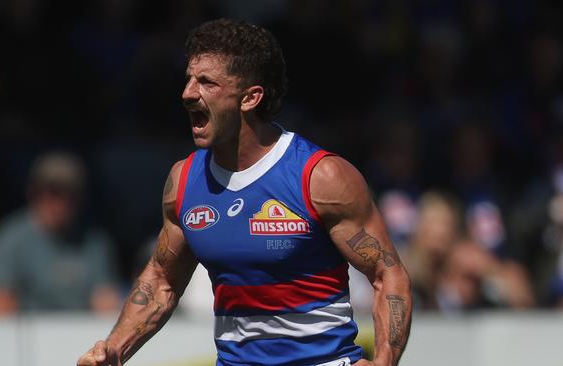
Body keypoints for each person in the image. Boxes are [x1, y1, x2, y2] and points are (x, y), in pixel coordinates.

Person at [77, 19, 411, 366]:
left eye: (206, 82)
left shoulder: (320, 176)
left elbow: (389, 274)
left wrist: (384, 362)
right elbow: (161, 280)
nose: (188, 92)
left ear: (250, 98)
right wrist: (114, 349)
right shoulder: (185, 182)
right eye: (189, 79)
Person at [0, 151, 120, 314]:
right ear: (32, 193)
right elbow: (0, 303)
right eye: (52, 193)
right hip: (26, 334)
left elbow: (105, 300)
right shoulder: (10, 239)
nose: (59, 204)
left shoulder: (94, 241)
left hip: (82, 333)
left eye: (68, 194)